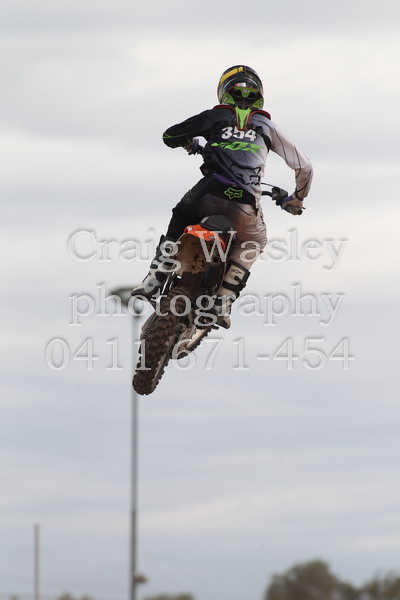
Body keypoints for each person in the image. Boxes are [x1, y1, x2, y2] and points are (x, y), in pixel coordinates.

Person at [132, 65, 313, 328]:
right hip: (245, 204)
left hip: (208, 194)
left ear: (223, 91)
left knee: (181, 214)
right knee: (255, 241)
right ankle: (223, 301)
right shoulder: (268, 126)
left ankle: (155, 277)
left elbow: (170, 135)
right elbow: (305, 167)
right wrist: (297, 198)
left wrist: (189, 142)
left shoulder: (214, 116)